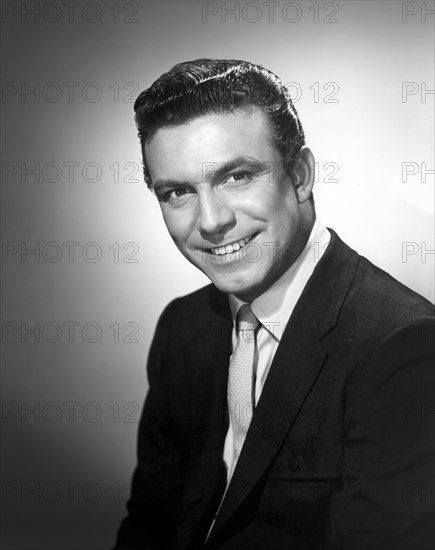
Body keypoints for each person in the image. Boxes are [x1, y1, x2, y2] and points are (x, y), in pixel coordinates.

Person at [113, 59, 435, 550]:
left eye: (237, 176)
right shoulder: (183, 328)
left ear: (301, 175)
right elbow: (152, 523)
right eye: (178, 192)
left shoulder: (404, 348)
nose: (211, 221)